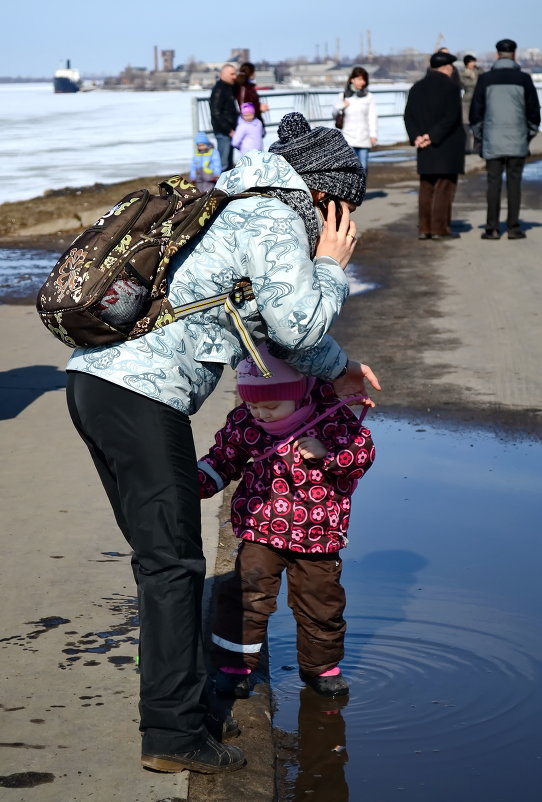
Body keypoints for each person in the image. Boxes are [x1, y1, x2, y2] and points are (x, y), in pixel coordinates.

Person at [64, 111, 380, 775]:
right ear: (324, 197)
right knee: (173, 566)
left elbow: (270, 328)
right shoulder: (270, 217)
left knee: (162, 562)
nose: (341, 229)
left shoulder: (236, 203)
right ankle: (176, 735)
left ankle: (173, 721)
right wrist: (329, 266)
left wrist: (341, 367)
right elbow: (297, 327)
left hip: (101, 387)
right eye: (342, 213)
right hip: (138, 396)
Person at [198, 343, 375, 699]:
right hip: (261, 527)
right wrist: (194, 482)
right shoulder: (246, 424)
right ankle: (235, 665)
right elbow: (223, 458)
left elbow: (362, 454)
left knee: (320, 600)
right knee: (247, 593)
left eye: (271, 406)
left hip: (318, 534)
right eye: (252, 405)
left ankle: (320, 667)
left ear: (300, 394)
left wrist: (330, 454)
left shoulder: (330, 420)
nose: (261, 414)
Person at [470, 38, 541, 240]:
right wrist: (527, 134)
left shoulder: (485, 79)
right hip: (517, 140)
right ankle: (513, 227)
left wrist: (482, 136)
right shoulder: (524, 80)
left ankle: (491, 228)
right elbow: (534, 112)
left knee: (493, 184)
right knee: (514, 184)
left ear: (497, 55)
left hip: (492, 140)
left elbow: (476, 113)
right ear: (515, 55)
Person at [404, 51, 465, 240]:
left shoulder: (417, 87)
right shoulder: (452, 87)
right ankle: (439, 229)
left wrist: (417, 137)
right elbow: (451, 118)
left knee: (426, 186)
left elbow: (408, 116)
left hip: (424, 146)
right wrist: (432, 136)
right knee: (444, 187)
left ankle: (424, 228)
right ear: (447, 67)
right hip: (445, 145)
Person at [334, 66, 378, 174]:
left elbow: (372, 116)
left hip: (364, 137)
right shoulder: (343, 96)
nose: (361, 82)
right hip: (348, 137)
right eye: (359, 79)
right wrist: (341, 105)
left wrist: (373, 134)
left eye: (363, 79)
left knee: (363, 168)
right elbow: (334, 114)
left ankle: (361, 190)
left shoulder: (369, 97)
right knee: (350, 169)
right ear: (352, 79)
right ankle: (351, 190)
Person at [210, 63, 238, 171]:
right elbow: (216, 112)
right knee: (224, 163)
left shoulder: (229, 88)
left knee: (229, 163)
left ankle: (228, 186)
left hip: (230, 130)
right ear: (223, 74)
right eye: (232, 74)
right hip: (223, 132)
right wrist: (228, 129)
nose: (234, 76)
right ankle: (220, 186)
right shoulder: (219, 90)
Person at [234, 61, 269, 129]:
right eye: (254, 72)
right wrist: (259, 108)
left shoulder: (248, 86)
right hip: (249, 123)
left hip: (253, 120)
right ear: (251, 73)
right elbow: (243, 105)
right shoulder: (244, 87)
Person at [460, 55, 483, 154]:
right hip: (467, 101)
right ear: (467, 63)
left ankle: (477, 148)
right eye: (471, 62)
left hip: (478, 100)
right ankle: (467, 148)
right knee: (466, 125)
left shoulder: (479, 72)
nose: (473, 64)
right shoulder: (463, 74)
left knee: (477, 125)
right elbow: (466, 84)